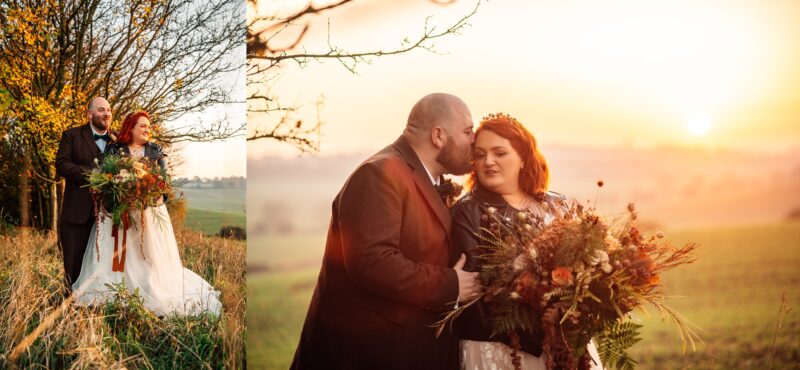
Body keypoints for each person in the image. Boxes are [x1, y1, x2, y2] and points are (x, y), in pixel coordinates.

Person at [290, 93, 481, 370]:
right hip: (365, 354)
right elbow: (372, 262)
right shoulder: (379, 173)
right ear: (438, 135)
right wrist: (450, 285)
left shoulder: (429, 177)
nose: (474, 140)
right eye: (467, 131)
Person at [450, 113, 603, 369]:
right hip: (503, 348)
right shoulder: (467, 212)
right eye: (480, 154)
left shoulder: (555, 204)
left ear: (523, 157)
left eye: (500, 153)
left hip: (564, 341)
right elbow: (478, 292)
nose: (488, 162)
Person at [71, 111, 222, 317]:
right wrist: (120, 194)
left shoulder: (155, 151)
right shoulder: (114, 149)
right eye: (142, 126)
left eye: (148, 126)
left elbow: (164, 184)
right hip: (118, 214)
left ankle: (149, 287)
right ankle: (116, 290)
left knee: (147, 257)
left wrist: (148, 196)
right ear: (130, 128)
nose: (147, 130)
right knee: (116, 259)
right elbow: (104, 180)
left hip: (149, 214)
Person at [56, 97, 114, 291]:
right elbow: (62, 164)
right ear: (89, 114)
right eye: (100, 110)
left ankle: (96, 311)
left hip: (107, 218)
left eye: (108, 110)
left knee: (103, 269)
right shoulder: (71, 135)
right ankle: (69, 311)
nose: (106, 113)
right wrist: (92, 175)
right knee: (73, 268)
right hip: (76, 215)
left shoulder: (117, 142)